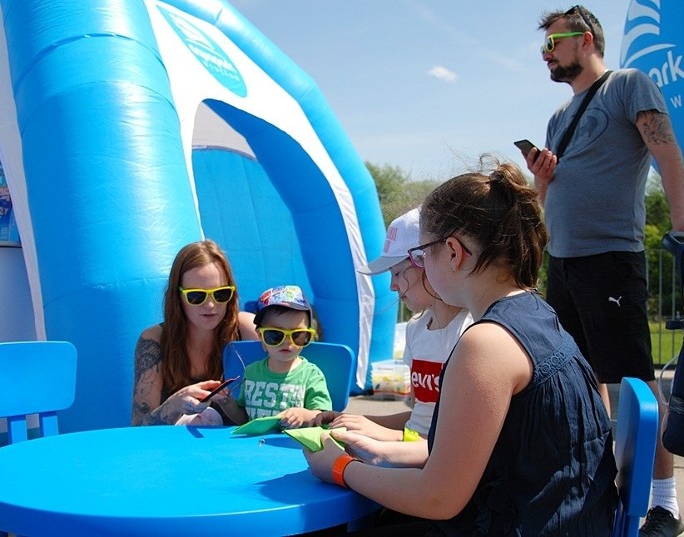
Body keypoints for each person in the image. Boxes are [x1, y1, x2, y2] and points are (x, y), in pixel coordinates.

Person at [304, 161, 617, 535]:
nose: (420, 267)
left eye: (423, 255)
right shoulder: (537, 314)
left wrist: (339, 468)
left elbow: (438, 497)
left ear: (453, 252)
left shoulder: (485, 343)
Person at [521, 5, 684, 537]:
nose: (547, 55)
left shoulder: (630, 85)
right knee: (578, 382)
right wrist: (540, 178)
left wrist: (681, 221)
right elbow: (548, 196)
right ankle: (596, 483)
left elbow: (667, 154)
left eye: (553, 44)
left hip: (611, 258)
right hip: (563, 262)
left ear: (584, 40)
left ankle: (665, 504)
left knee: (635, 385)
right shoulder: (558, 118)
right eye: (543, 48)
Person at [312, 207, 473, 466]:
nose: (392, 285)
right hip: (414, 454)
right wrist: (361, 421)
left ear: (427, 262)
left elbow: (456, 443)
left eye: (398, 273)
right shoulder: (416, 328)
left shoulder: (470, 333)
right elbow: (419, 420)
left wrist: (384, 436)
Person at [131, 240, 258, 426]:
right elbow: (138, 426)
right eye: (196, 296)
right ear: (177, 297)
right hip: (177, 451)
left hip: (239, 451)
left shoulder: (246, 329)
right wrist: (173, 405)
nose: (210, 305)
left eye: (220, 294)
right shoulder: (154, 340)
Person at [216, 284, 333, 427]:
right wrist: (228, 403)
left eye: (297, 335)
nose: (287, 342)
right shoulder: (252, 372)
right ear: (261, 337)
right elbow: (244, 419)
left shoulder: (311, 375)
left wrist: (304, 415)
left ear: (309, 336)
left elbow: (324, 416)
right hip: (254, 446)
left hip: (294, 446)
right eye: (275, 335)